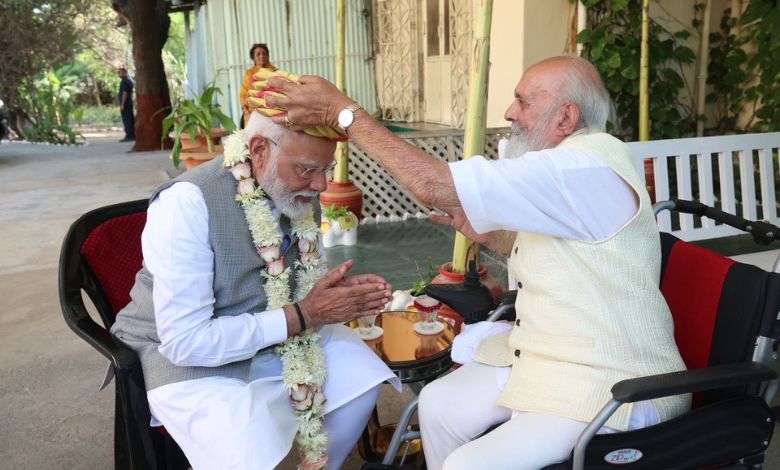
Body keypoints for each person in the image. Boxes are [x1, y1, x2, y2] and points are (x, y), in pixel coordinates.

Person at [259, 55, 691, 469]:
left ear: (566, 118)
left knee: (470, 463)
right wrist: (493, 238)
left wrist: (344, 114)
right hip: (548, 356)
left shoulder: (580, 169)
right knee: (437, 404)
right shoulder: (567, 169)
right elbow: (567, 251)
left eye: (523, 101)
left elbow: (434, 184)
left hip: (610, 381)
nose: (510, 111)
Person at [110, 107, 400, 469]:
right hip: (188, 358)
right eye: (309, 168)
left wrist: (333, 295)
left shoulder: (298, 193)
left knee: (363, 375)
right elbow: (186, 341)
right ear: (259, 150)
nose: (321, 185)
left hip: (279, 333)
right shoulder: (186, 204)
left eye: (325, 169)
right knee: (247, 442)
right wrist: (303, 314)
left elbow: (301, 278)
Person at [240, 43, 278, 128]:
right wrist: (246, 112)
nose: (262, 56)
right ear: (253, 58)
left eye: (264, 53)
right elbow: (243, 94)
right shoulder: (249, 74)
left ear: (268, 56)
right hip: (252, 113)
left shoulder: (275, 72)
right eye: (258, 54)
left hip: (272, 113)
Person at [117, 67, 135, 142]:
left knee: (127, 119)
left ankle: (130, 135)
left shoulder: (125, 82)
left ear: (124, 73)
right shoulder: (129, 81)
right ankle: (132, 134)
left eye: (120, 72)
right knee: (130, 118)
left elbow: (125, 93)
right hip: (129, 103)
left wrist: (122, 104)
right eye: (118, 72)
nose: (118, 74)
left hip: (126, 103)